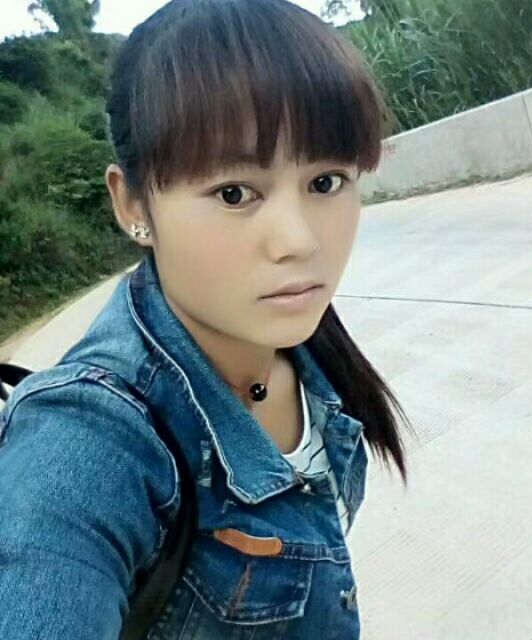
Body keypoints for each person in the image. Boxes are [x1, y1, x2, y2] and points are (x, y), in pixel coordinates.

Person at [0, 0, 414, 637]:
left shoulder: (305, 349)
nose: (299, 240)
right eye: (234, 193)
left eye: (326, 182)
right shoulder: (89, 439)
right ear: (132, 204)